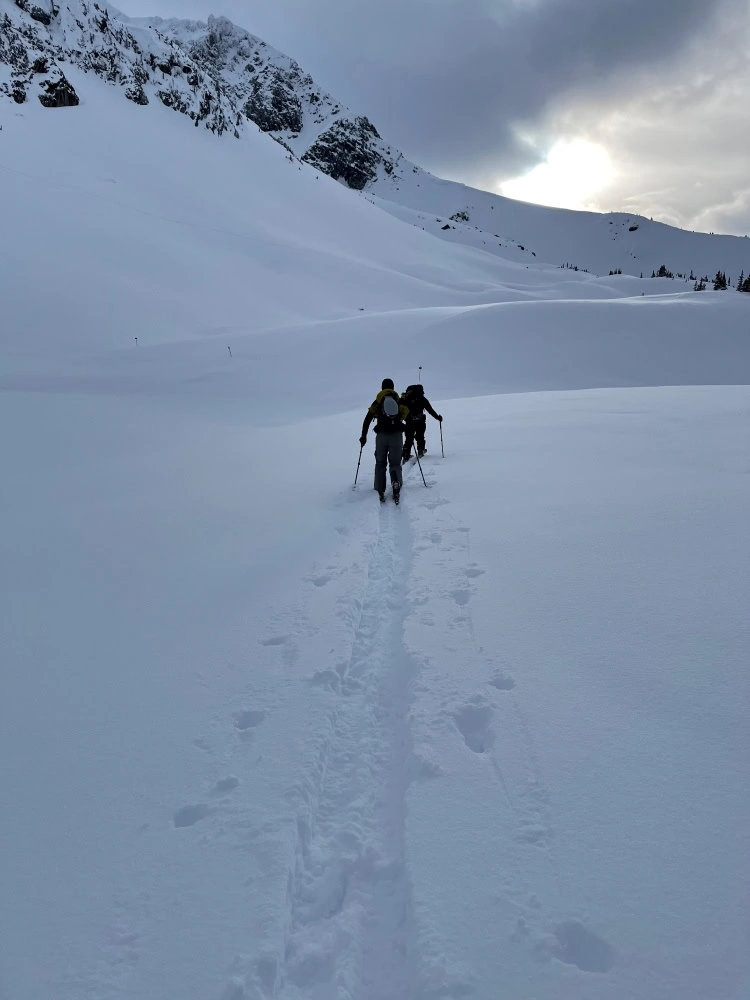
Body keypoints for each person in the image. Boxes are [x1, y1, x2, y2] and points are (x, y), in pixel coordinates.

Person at [360, 378, 410, 503]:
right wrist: (409, 436)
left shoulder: (378, 401)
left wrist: (364, 436)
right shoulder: (399, 401)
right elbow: (408, 418)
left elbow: (367, 419)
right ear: (393, 387)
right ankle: (396, 482)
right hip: (397, 436)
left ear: (382, 387)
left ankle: (379, 489)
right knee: (395, 463)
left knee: (380, 463)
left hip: (381, 436)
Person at [400, 383, 442, 463]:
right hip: (420, 420)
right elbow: (430, 410)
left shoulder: (406, 398)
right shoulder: (422, 399)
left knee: (409, 438)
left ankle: (406, 455)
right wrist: (438, 417)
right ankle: (420, 450)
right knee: (420, 436)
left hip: (409, 421)